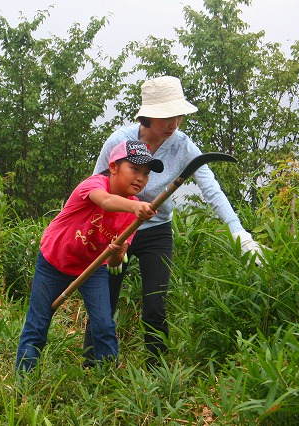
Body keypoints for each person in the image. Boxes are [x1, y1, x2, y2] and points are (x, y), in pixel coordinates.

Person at [84, 76, 265, 368]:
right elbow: (96, 189)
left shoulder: (183, 147)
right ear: (148, 114)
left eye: (178, 115)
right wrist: (93, 238)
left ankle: (157, 374)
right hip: (116, 231)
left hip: (156, 232)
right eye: (167, 115)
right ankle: (93, 367)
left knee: (156, 305)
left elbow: (211, 188)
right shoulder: (118, 142)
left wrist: (238, 231)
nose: (174, 122)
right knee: (105, 304)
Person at [16, 140, 163, 374]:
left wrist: (118, 253)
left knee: (104, 325)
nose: (140, 178)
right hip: (53, 261)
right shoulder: (94, 184)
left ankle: (107, 380)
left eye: (146, 173)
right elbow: (106, 201)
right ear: (113, 167)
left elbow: (114, 262)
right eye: (134, 169)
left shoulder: (134, 214)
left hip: (91, 269)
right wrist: (135, 208)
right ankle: (23, 382)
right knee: (37, 325)